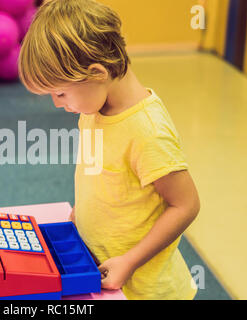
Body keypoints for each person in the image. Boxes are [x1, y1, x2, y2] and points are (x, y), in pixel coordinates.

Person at [18, 0, 200, 300]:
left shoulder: (147, 131)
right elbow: (101, 178)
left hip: (146, 290)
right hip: (101, 271)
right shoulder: (93, 109)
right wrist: (79, 221)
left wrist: (129, 261)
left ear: (97, 73)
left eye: (60, 93)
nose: (56, 103)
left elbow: (186, 205)